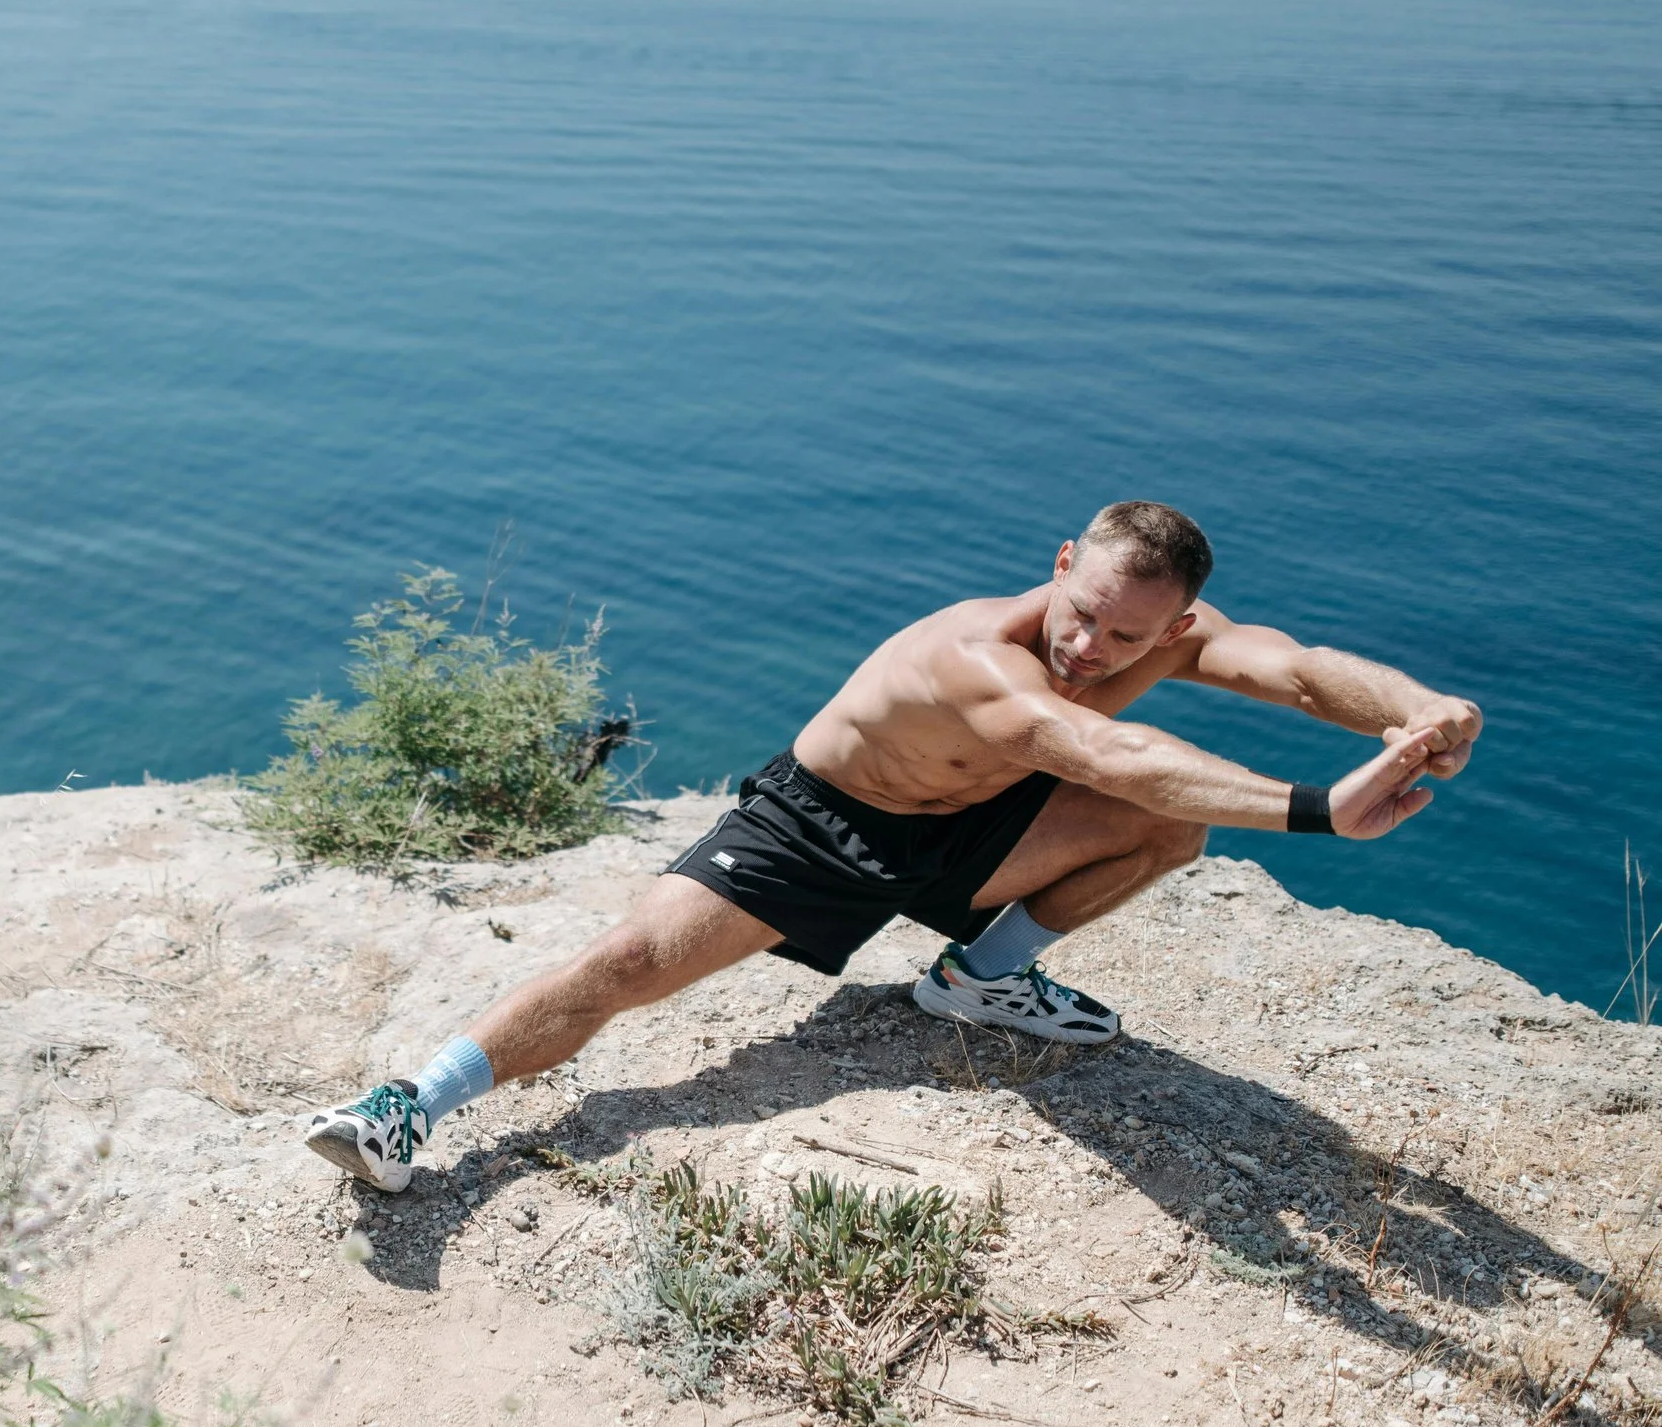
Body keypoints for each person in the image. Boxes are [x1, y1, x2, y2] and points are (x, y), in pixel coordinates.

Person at [305, 501, 1481, 1193]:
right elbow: (1095, 751)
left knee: (1171, 828)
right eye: (1080, 611)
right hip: (818, 831)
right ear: (1061, 562)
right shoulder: (977, 657)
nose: (1089, 645)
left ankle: (978, 978)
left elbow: (1294, 663)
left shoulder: (1157, 633)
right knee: (624, 967)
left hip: (967, 832)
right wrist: (1326, 807)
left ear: (1172, 626)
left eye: (1128, 637)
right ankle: (409, 1107)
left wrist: (1418, 711)